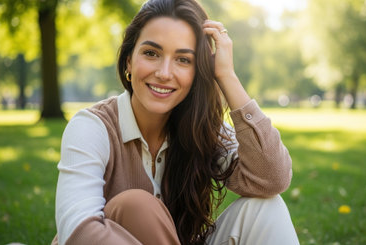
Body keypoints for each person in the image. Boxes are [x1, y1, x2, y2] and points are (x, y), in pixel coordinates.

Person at [52, 0, 299, 244]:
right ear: (129, 60)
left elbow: (272, 178)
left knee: (265, 208)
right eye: (151, 53)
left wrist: (227, 76)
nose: (164, 73)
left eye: (183, 59)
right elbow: (78, 230)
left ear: (197, 71)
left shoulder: (201, 129)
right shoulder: (91, 128)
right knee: (137, 206)